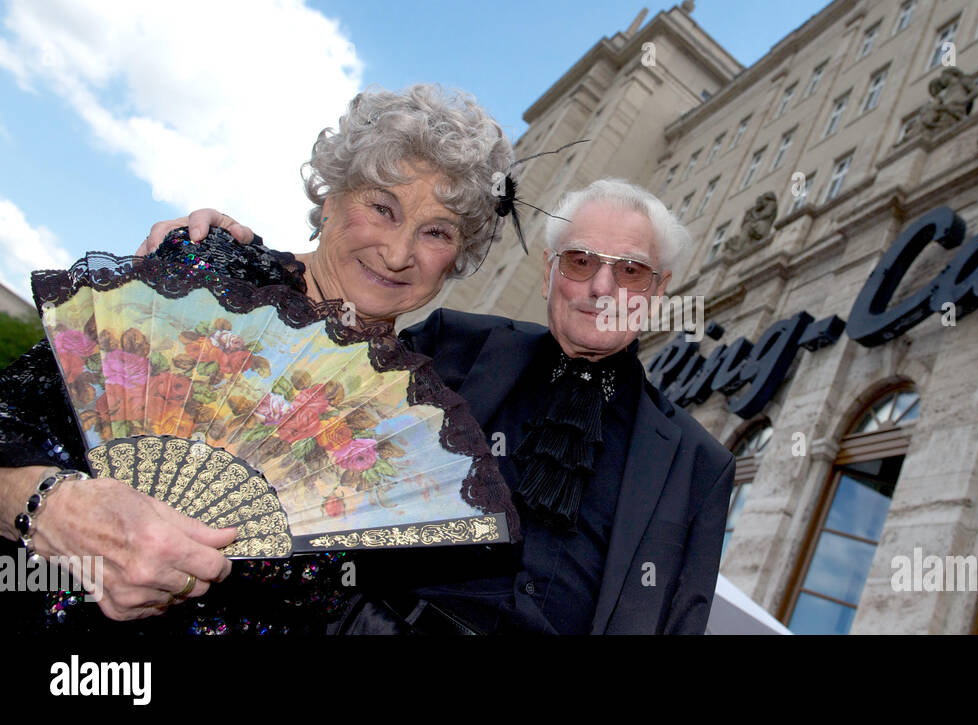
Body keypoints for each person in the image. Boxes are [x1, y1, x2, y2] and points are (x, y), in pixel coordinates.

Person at [0, 83, 515, 634]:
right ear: (330, 197)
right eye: (382, 208)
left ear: (458, 256)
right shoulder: (208, 281)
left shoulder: (404, 422)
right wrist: (49, 507)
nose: (397, 253)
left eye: (436, 232)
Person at [154, 179, 736, 634]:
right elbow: (312, 374)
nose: (602, 288)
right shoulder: (455, 345)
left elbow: (678, 621)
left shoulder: (699, 464)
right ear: (549, 274)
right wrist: (231, 260)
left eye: (630, 270)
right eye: (581, 261)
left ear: (657, 292)